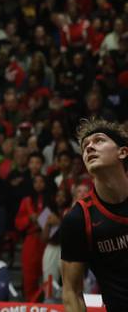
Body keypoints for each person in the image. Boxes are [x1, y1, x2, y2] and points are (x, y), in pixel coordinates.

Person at [62, 118, 128, 311]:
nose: (89, 148)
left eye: (99, 140)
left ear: (123, 152)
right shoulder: (78, 219)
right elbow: (71, 293)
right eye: (85, 147)